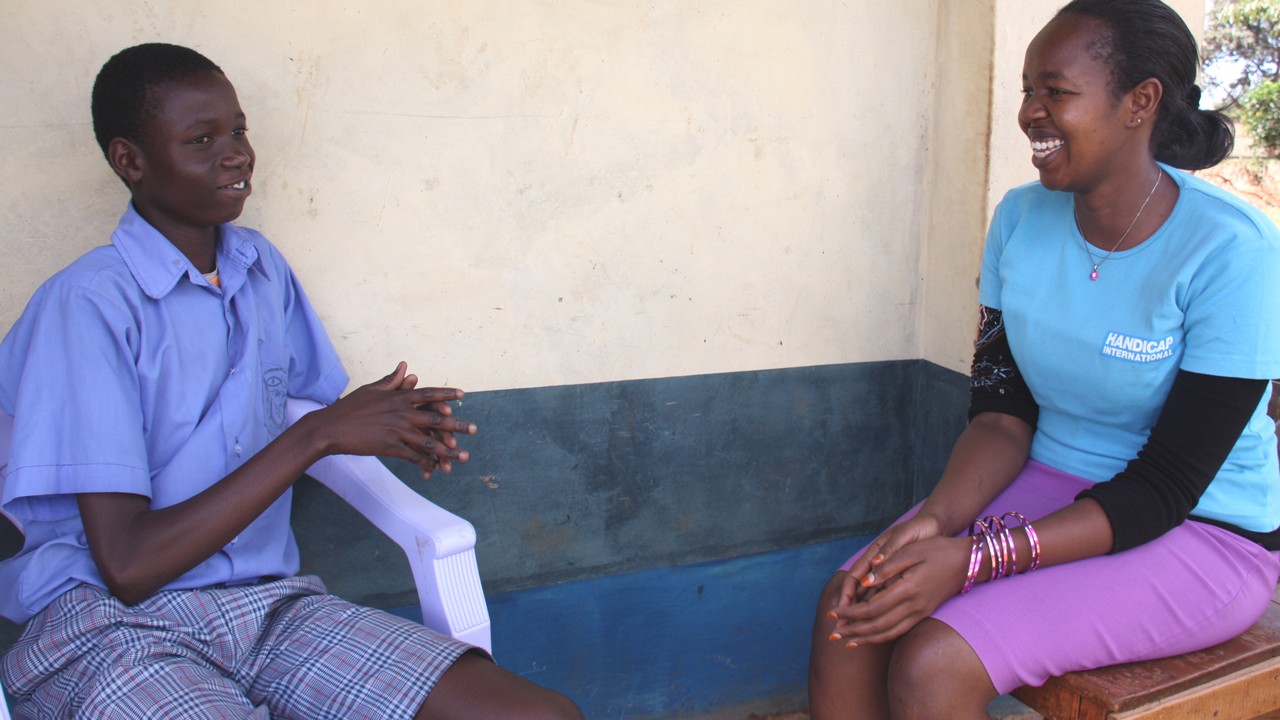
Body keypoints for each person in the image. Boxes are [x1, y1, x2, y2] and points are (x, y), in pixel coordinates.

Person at [0, 43, 583, 720]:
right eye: (202, 139)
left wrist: (386, 426)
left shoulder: (258, 269)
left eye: (239, 131)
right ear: (130, 160)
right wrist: (320, 436)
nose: (237, 154)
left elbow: (307, 407)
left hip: (270, 607)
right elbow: (129, 566)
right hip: (110, 628)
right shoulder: (88, 303)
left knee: (539, 716)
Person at [808, 1, 1280, 718]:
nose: (1030, 112)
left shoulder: (1231, 251)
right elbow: (1001, 416)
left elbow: (1166, 487)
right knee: (852, 610)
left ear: (1140, 101)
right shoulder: (1020, 219)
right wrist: (936, 523)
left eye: (1054, 92)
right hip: (1050, 480)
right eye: (1027, 90)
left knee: (935, 663)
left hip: (1203, 529)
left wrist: (973, 560)